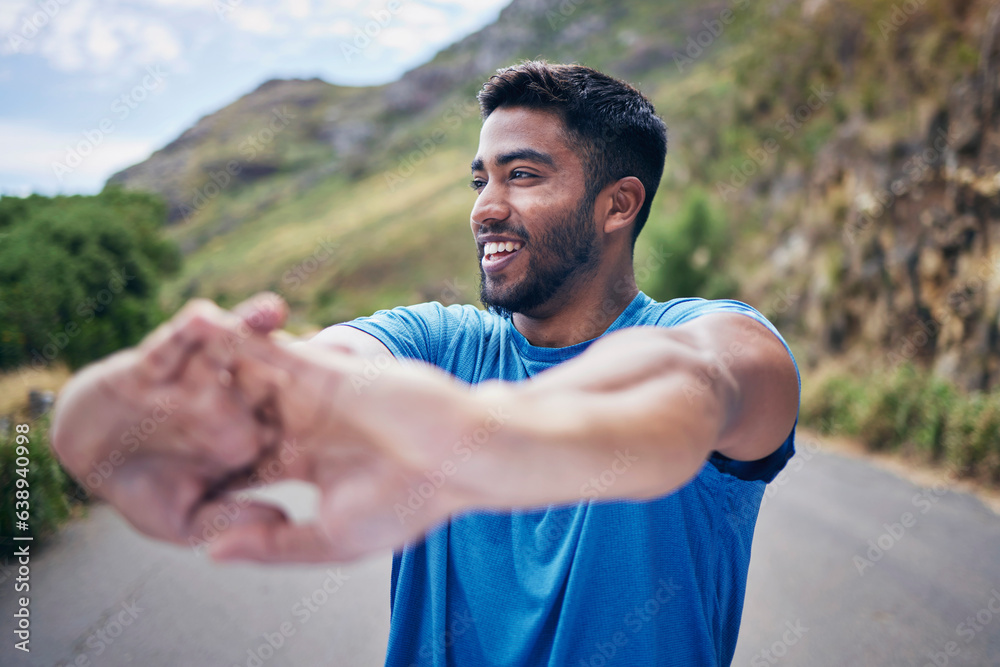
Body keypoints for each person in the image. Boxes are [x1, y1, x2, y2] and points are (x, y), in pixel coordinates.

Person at [51, 61, 800, 666]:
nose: (484, 207)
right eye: (481, 179)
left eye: (524, 175)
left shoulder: (714, 335)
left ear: (618, 205)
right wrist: (115, 423)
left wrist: (489, 438)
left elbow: (695, 383)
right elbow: (322, 372)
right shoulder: (435, 343)